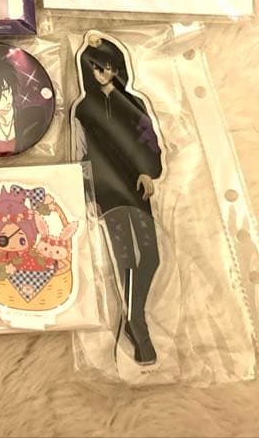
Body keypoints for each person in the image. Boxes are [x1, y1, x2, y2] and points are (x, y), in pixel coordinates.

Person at [74, 35, 163, 366]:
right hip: (105, 189)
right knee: (123, 257)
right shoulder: (84, 108)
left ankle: (132, 315)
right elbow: (81, 152)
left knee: (151, 255)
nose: (103, 73)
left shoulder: (133, 102)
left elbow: (148, 139)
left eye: (108, 67)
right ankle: (138, 327)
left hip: (136, 185)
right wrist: (87, 189)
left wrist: (147, 171)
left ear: (116, 68)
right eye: (96, 68)